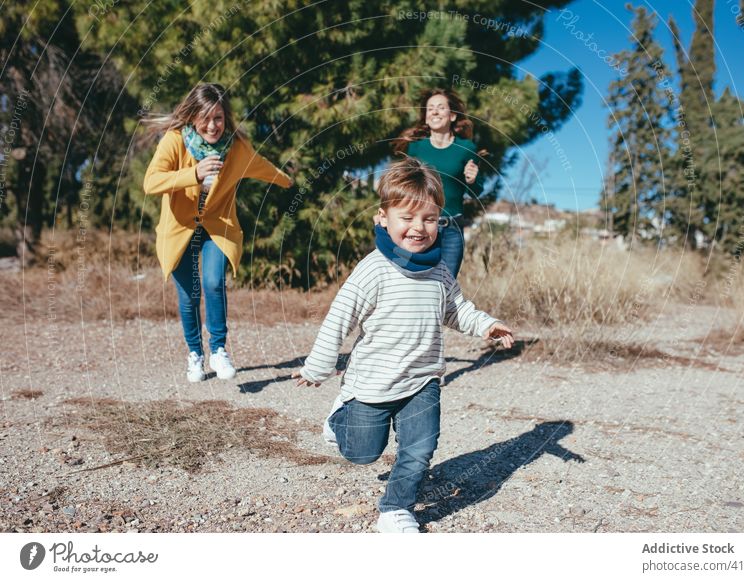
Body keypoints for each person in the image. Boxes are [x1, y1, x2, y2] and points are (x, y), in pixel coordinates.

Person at [293, 159, 513, 533]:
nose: (418, 227)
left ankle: (396, 510)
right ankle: (339, 416)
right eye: (407, 217)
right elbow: (339, 317)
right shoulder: (374, 269)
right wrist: (317, 367)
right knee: (363, 453)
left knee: (420, 448)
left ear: (440, 221)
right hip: (373, 384)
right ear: (383, 218)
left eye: (429, 219)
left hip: (422, 380)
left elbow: (457, 309)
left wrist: (487, 325)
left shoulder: (440, 270)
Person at [143, 83, 292, 382]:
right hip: (180, 228)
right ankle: (195, 354)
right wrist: (193, 174)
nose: (212, 125)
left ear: (227, 118)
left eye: (219, 118)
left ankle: (219, 350)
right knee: (188, 295)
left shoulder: (236, 149)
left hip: (216, 227)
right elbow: (151, 183)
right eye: (206, 118)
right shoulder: (174, 141)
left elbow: (263, 167)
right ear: (193, 117)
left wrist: (288, 182)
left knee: (212, 282)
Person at [392, 88, 484, 278]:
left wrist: (472, 180)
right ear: (426, 118)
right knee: (406, 280)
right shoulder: (415, 148)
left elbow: (477, 191)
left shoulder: (467, 148)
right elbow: (402, 187)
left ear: (452, 116)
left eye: (441, 108)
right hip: (418, 228)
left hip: (451, 231)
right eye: (430, 109)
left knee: (444, 287)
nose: (434, 111)